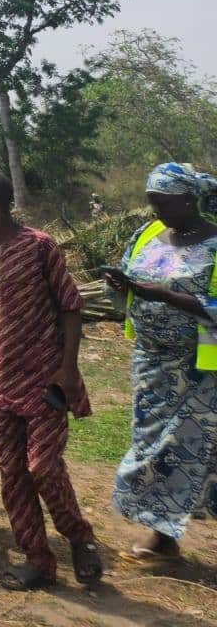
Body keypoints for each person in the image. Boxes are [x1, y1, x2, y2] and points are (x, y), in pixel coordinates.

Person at [0, 171, 102, 590]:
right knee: (12, 471)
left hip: (42, 375)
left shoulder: (41, 245)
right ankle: (38, 561)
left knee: (42, 466)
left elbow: (70, 307)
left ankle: (79, 536)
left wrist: (68, 369)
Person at [106, 163, 217, 563]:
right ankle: (163, 534)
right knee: (154, 445)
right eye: (152, 202)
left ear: (189, 199)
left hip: (200, 369)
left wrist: (167, 296)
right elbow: (128, 279)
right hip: (151, 362)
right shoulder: (147, 233)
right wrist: (122, 286)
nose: (157, 210)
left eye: (164, 202)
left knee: (194, 447)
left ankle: (167, 529)